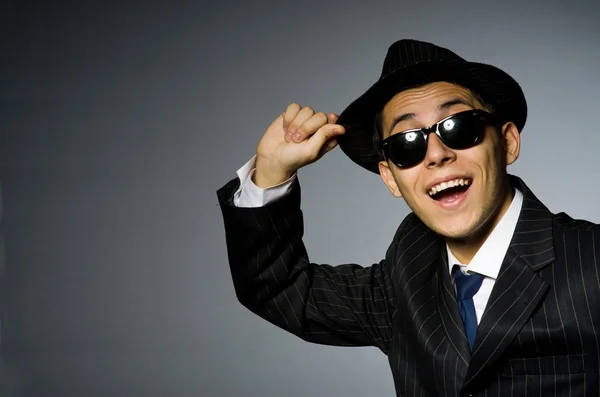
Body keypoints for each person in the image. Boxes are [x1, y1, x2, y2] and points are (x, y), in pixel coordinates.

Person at [216, 39, 600, 396]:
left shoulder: (592, 260)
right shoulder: (407, 278)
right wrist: (270, 173)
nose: (436, 154)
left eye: (458, 127)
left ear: (507, 142)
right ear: (391, 178)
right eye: (406, 142)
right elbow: (278, 288)